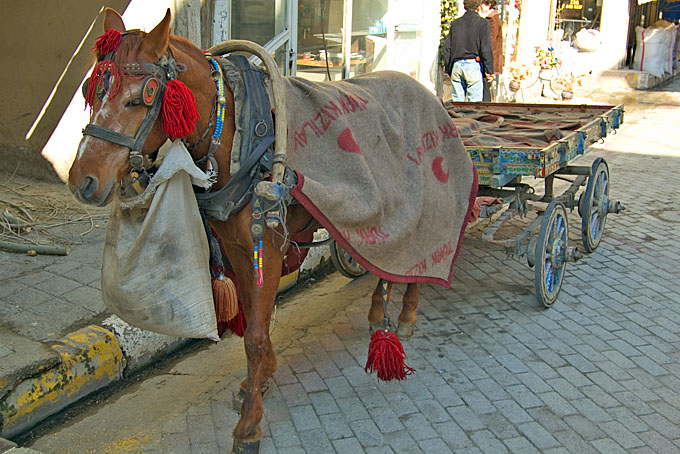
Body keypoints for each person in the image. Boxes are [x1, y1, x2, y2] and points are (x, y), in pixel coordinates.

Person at [443, 0, 494, 102]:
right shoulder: (483, 23)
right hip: (473, 65)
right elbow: (485, 48)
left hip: (456, 66)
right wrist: (489, 70)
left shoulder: (455, 23)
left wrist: (448, 69)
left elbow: (447, 48)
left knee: (457, 104)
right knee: (474, 106)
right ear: (478, 7)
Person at [478, 0, 503, 101]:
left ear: (488, 5)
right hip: (489, 58)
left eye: (482, 4)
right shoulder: (491, 18)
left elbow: (490, 42)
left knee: (485, 88)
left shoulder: (491, 19)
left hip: (488, 59)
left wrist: (486, 61)